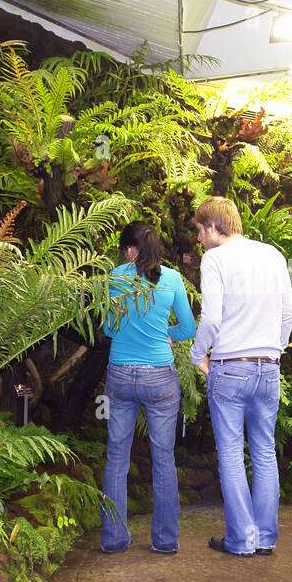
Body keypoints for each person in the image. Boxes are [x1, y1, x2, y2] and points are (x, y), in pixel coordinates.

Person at [190, 196, 292, 556]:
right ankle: (264, 539)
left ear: (212, 226)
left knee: (233, 454)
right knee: (265, 451)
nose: (199, 240)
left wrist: (195, 352)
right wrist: (275, 350)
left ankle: (241, 540)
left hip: (229, 368)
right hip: (268, 369)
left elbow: (212, 318)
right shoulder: (273, 255)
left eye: (200, 231)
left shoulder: (215, 258)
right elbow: (289, 313)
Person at [100, 220, 196, 554]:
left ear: (130, 249)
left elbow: (109, 330)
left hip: (121, 375)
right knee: (163, 457)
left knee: (116, 457)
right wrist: (165, 336)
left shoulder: (115, 278)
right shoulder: (172, 279)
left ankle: (113, 538)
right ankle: (166, 540)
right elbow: (188, 327)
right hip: (159, 377)